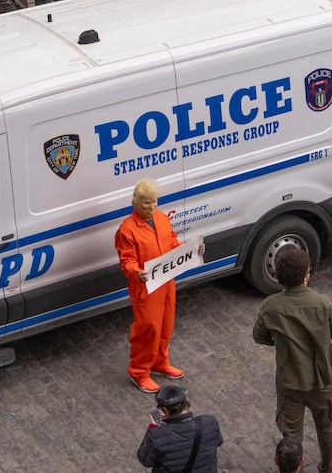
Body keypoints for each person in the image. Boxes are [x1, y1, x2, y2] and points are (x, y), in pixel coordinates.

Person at [252, 245, 332, 473]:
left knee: (291, 434)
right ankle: (331, 467)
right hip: (321, 382)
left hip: (289, 382)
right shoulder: (323, 303)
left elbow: (259, 336)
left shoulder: (271, 306)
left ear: (279, 277)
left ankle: (294, 468)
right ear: (306, 276)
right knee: (326, 428)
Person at [115, 180, 191, 393]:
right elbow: (127, 261)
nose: (151, 207)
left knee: (166, 324)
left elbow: (173, 243)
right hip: (145, 287)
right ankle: (139, 372)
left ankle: (159, 362)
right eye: (146, 203)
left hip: (166, 282)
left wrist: (191, 250)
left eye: (154, 202)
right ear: (135, 202)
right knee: (148, 329)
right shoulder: (127, 230)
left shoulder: (162, 219)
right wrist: (136, 273)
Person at [136, 383, 223, 473]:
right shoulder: (209, 422)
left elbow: (145, 460)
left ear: (165, 410)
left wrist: (152, 427)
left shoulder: (157, 435)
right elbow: (218, 441)